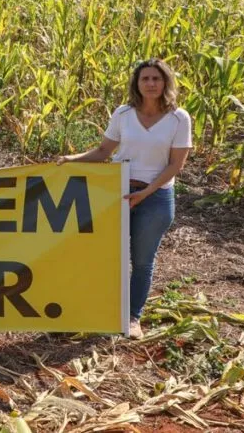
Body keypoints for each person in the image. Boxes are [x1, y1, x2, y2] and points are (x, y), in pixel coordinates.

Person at [57, 58, 192, 339]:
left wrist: (146, 192)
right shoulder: (123, 114)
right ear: (137, 83)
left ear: (165, 82)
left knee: (142, 260)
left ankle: (132, 317)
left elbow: (175, 165)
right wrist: (72, 159)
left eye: (157, 78)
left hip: (155, 196)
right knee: (103, 256)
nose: (151, 83)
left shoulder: (179, 118)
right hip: (116, 193)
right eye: (146, 79)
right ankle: (95, 310)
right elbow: (103, 152)